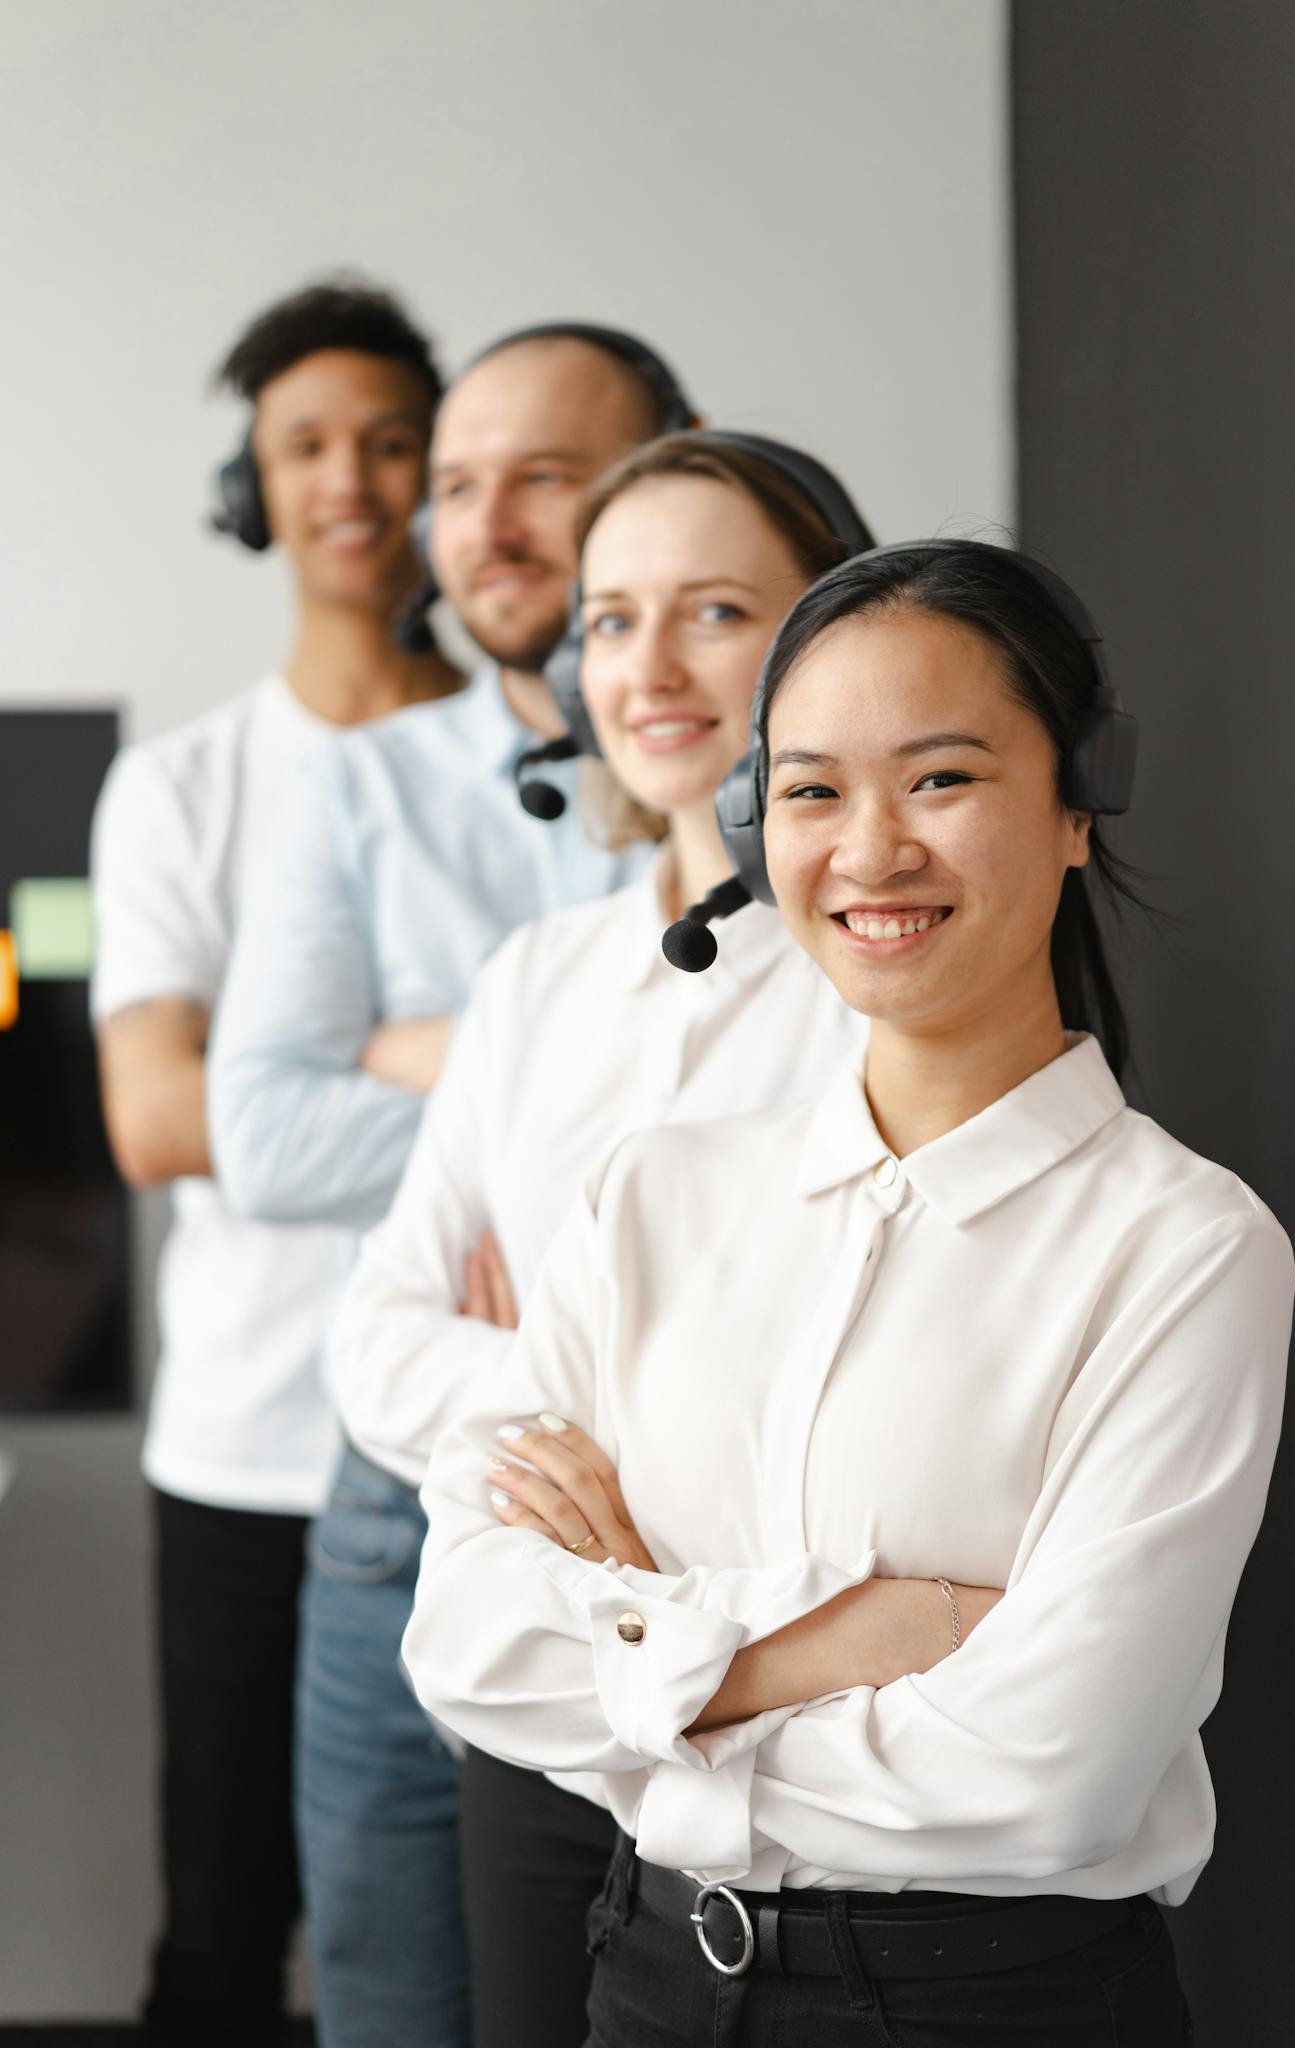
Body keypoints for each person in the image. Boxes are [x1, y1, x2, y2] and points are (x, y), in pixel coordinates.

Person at [404, 540, 1294, 2047]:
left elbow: (1045, 1770)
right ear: (756, 822)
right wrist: (855, 1639)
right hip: (645, 1976)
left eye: (940, 780)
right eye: (812, 790)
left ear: (1078, 801)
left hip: (988, 2006)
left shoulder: (1183, 1247)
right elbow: (469, 1644)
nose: (869, 850)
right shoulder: (648, 1196)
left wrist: (647, 1652)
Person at [328, 430, 875, 2046]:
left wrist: (551, 1371)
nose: (649, 665)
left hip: (779, 1707)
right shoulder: (535, 982)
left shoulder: (880, 972)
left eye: (714, 610)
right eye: (614, 617)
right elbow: (372, 1343)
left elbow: (831, 1388)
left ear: (822, 637)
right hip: (536, 1707)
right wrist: (622, 1397)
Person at [207, 325, 696, 2048]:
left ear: (665, 482)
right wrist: (496, 1081)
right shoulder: (357, 786)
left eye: (545, 482)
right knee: (396, 1995)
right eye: (462, 483)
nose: (487, 526)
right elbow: (257, 1131)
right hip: (394, 1498)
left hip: (678, 1516)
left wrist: (434, 1061)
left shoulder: (783, 799)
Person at [89, 276, 458, 2047]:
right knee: (226, 1941)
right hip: (249, 1450)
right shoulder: (182, 789)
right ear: (253, 490)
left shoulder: (535, 758)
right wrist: (463, 1070)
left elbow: (616, 1098)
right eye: (305, 446)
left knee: (477, 1945)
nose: (352, 481)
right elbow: (156, 1123)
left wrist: (306, 1072)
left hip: (489, 1448)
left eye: (393, 442)